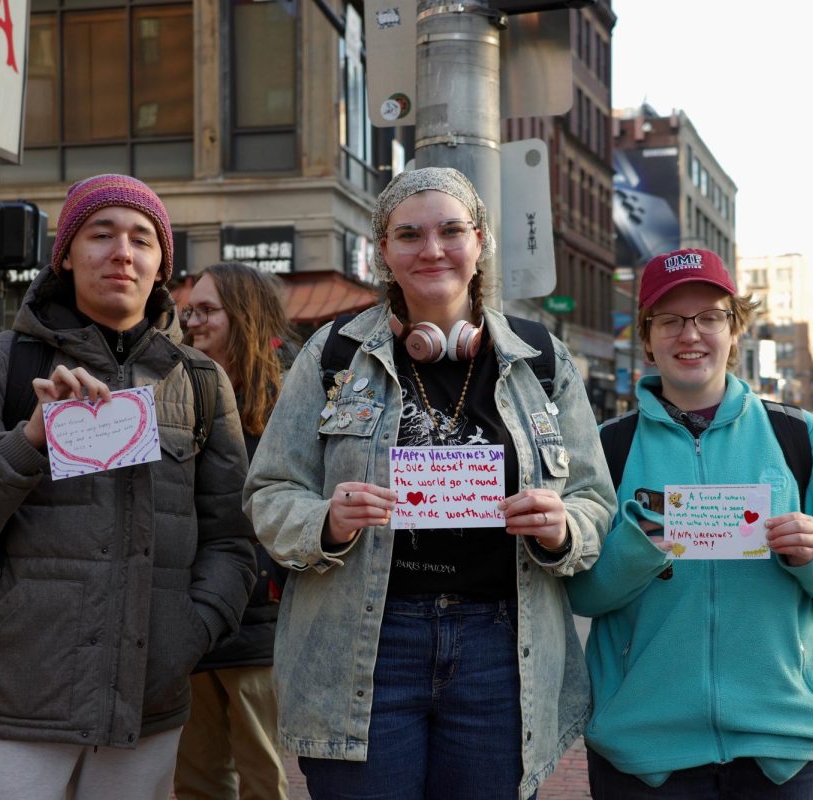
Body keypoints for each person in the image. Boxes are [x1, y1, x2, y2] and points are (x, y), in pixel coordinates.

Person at [243, 166, 616, 800]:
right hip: (366, 643)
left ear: (481, 241)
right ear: (383, 250)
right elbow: (270, 493)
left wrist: (562, 529)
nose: (432, 249)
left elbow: (593, 501)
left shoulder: (541, 360)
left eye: (451, 230)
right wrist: (325, 522)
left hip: (500, 647)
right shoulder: (331, 355)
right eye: (409, 234)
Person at [0, 174, 257, 800]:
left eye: (142, 240)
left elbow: (232, 541)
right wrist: (28, 441)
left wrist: (189, 631)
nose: (123, 252)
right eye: (101, 234)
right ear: (64, 254)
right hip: (15, 700)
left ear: (159, 265)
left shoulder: (200, 383)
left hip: (147, 700)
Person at [566, 248, 813, 799]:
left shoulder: (797, 434)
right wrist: (638, 550)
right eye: (669, 320)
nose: (689, 334)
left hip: (787, 745)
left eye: (709, 317)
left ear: (734, 330)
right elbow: (579, 590)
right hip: (647, 752)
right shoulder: (608, 448)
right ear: (646, 338)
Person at [173, 262, 297, 800]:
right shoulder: (174, 386)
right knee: (196, 779)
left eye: (207, 311)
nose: (193, 322)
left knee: (261, 777)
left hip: (257, 620)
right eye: (188, 311)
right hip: (186, 616)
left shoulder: (292, 399)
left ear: (243, 316)